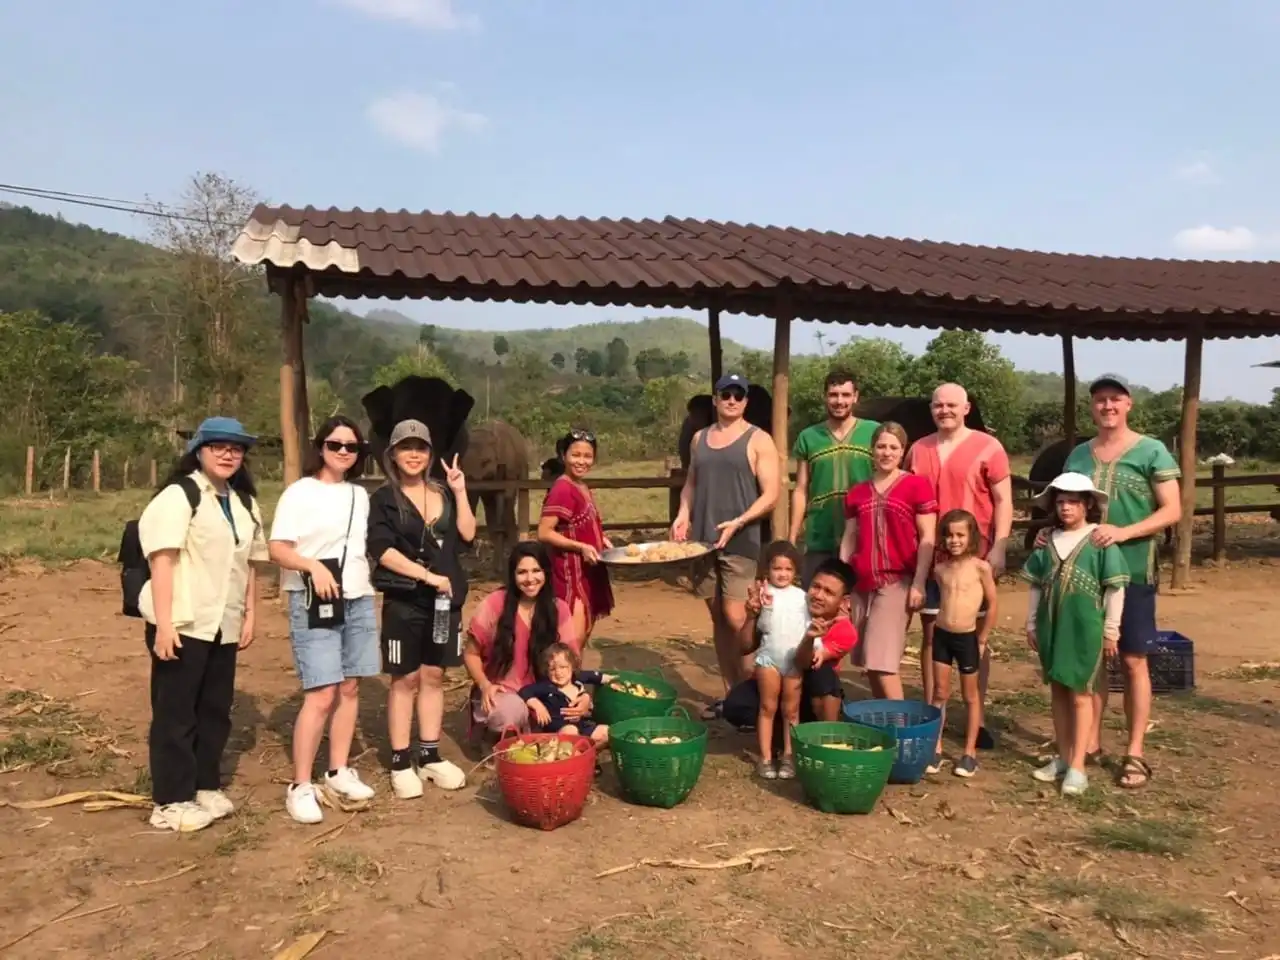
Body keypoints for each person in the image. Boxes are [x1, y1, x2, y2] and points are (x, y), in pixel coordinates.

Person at [136, 417, 268, 832]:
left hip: (222, 623)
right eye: (219, 447)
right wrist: (163, 623)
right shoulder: (180, 496)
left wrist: (250, 613)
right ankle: (171, 799)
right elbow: (162, 559)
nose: (229, 454)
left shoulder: (244, 502)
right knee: (176, 712)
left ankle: (205, 784)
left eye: (236, 448)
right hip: (185, 619)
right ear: (199, 450)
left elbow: (249, 564)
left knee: (214, 710)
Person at [1062, 373, 1181, 789]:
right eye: (1100, 400)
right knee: (1092, 659)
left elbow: (1172, 510)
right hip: (1086, 573)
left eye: (1115, 399)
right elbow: (1067, 506)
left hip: (1132, 569)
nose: (1107, 406)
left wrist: (1124, 532)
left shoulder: (1152, 451)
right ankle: (1090, 742)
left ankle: (1134, 752)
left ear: (1129, 404)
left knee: (1132, 659)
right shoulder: (1078, 455)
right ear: (1091, 407)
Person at [268, 416, 379, 824]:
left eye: (352, 447)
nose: (344, 453)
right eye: (336, 445)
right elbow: (277, 548)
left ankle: (337, 770)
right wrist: (311, 566)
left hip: (357, 596)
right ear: (321, 447)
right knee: (322, 692)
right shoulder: (299, 493)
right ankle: (299, 784)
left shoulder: (361, 496)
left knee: (350, 687)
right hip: (313, 597)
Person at [368, 419, 476, 799]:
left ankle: (429, 754)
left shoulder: (444, 491)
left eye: (421, 447)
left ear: (430, 454)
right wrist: (426, 578)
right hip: (405, 600)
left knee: (433, 675)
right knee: (405, 679)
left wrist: (461, 491)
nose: (414, 454)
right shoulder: (383, 499)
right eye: (405, 447)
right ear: (393, 455)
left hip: (446, 602)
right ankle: (400, 760)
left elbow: (467, 533)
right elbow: (382, 550)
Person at [906, 382, 1012, 750]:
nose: (944, 410)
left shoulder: (989, 447)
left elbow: (1003, 500)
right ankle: (934, 714)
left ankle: (974, 718)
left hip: (973, 560)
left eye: (952, 404)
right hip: (933, 559)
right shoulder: (918, 449)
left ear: (967, 408)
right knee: (932, 635)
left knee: (972, 639)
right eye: (938, 405)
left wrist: (998, 547)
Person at [672, 372, 781, 721]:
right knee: (717, 616)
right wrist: (682, 514)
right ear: (715, 399)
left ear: (745, 401)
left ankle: (757, 694)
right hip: (701, 543)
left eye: (738, 395)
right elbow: (691, 483)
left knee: (739, 618)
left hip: (740, 541)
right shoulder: (699, 439)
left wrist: (739, 521)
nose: (731, 400)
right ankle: (732, 694)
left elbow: (772, 494)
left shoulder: (758, 440)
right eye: (725, 394)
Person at [1022, 473, 1129, 797]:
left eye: (1072, 501)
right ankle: (1064, 756)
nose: (1066, 507)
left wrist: (1112, 629)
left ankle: (1079, 765)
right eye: (1060, 501)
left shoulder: (1099, 540)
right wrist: (1030, 623)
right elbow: (1036, 585)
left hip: (1085, 628)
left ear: (1087, 505)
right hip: (1051, 626)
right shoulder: (1047, 540)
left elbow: (1115, 588)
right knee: (1057, 689)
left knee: (1081, 693)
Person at [839, 421, 937, 700]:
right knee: (869, 661)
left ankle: (901, 728)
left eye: (893, 447)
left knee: (883, 661)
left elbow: (927, 536)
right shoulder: (857, 492)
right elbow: (849, 538)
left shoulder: (916, 486)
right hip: (861, 582)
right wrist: (842, 582)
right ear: (872, 450)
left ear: (902, 451)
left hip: (897, 581)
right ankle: (885, 721)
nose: (886, 452)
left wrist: (918, 582)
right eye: (881, 446)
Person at [463, 542, 581, 737]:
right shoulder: (494, 604)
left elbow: (571, 661)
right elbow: (470, 654)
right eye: (522, 572)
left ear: (546, 573)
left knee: (580, 710)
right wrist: (485, 685)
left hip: (546, 691)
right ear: (512, 575)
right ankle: (496, 737)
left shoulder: (558, 608)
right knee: (509, 711)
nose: (530, 579)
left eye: (536, 571)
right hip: (504, 692)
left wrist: (580, 695)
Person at [744, 556, 859, 729]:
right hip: (775, 681)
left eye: (828, 592)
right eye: (816, 587)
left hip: (807, 688)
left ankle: (827, 733)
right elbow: (744, 647)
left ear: (844, 601)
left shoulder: (845, 631)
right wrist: (751, 617)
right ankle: (778, 733)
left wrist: (809, 637)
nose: (819, 596)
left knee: (823, 674)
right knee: (737, 705)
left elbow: (803, 662)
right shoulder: (787, 605)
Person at [926, 510, 998, 778]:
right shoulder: (940, 570)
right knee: (940, 693)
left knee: (970, 696)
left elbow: (992, 604)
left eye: (960, 535)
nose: (954, 540)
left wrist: (982, 637)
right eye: (949, 535)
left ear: (971, 537)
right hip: (942, 636)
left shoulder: (981, 568)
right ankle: (936, 746)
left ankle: (969, 752)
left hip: (967, 637)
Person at [790, 370, 879, 583]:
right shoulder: (808, 437)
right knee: (815, 602)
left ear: (855, 396)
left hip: (864, 534)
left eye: (845, 395)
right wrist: (792, 535)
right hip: (820, 532)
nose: (839, 401)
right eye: (833, 395)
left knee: (857, 604)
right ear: (825, 397)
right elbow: (801, 489)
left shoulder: (874, 432)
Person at [537, 428, 614, 646]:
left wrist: (601, 539)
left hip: (589, 568)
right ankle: (564, 679)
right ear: (563, 456)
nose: (582, 461)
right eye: (575, 455)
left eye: (587, 456)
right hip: (570, 573)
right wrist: (580, 547)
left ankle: (574, 678)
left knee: (584, 632)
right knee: (572, 638)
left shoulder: (580, 485)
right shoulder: (562, 488)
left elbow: (581, 523)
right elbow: (544, 532)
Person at [750, 541, 810, 780]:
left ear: (795, 571)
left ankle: (788, 755)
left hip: (794, 661)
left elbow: (809, 628)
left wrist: (816, 648)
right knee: (767, 707)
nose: (782, 574)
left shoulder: (802, 597)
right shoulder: (765, 594)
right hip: (769, 660)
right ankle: (765, 758)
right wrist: (766, 607)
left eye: (788, 569)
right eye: (777, 568)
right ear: (768, 570)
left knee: (791, 710)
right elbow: (763, 628)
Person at [519, 642, 615, 745]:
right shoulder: (546, 687)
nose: (558, 672)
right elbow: (524, 691)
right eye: (552, 669)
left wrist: (611, 679)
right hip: (557, 732)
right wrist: (538, 705)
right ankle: (569, 754)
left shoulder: (576, 679)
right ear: (547, 671)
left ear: (572, 666)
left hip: (582, 727)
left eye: (563, 667)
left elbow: (594, 676)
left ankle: (585, 752)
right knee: (571, 731)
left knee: (606, 731)